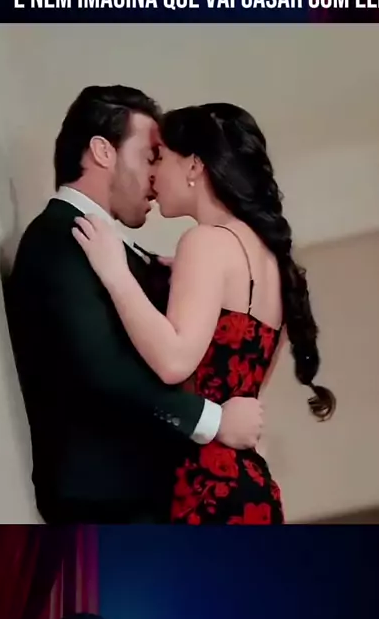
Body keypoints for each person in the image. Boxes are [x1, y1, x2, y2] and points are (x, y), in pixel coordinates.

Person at [6, 86, 264, 524]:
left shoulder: (106, 243)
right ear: (103, 152)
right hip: (108, 502)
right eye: (149, 157)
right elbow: (101, 368)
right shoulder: (57, 239)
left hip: (139, 496)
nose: (155, 176)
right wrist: (213, 421)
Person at [73, 102, 336, 525]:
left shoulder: (206, 242)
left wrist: (115, 272)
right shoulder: (271, 262)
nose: (152, 174)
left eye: (160, 157)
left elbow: (174, 362)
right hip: (248, 485)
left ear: (194, 164)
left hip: (207, 489)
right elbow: (240, 391)